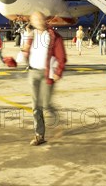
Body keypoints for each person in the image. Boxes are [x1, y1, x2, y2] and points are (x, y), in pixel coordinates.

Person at [21, 12, 67, 146]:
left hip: (47, 73)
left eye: (40, 18)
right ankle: (39, 135)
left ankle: (57, 123)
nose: (38, 21)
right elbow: (25, 52)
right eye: (35, 19)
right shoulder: (31, 36)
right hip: (33, 73)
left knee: (46, 104)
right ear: (32, 22)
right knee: (35, 106)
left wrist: (59, 71)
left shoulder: (53, 36)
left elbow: (61, 56)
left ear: (44, 20)